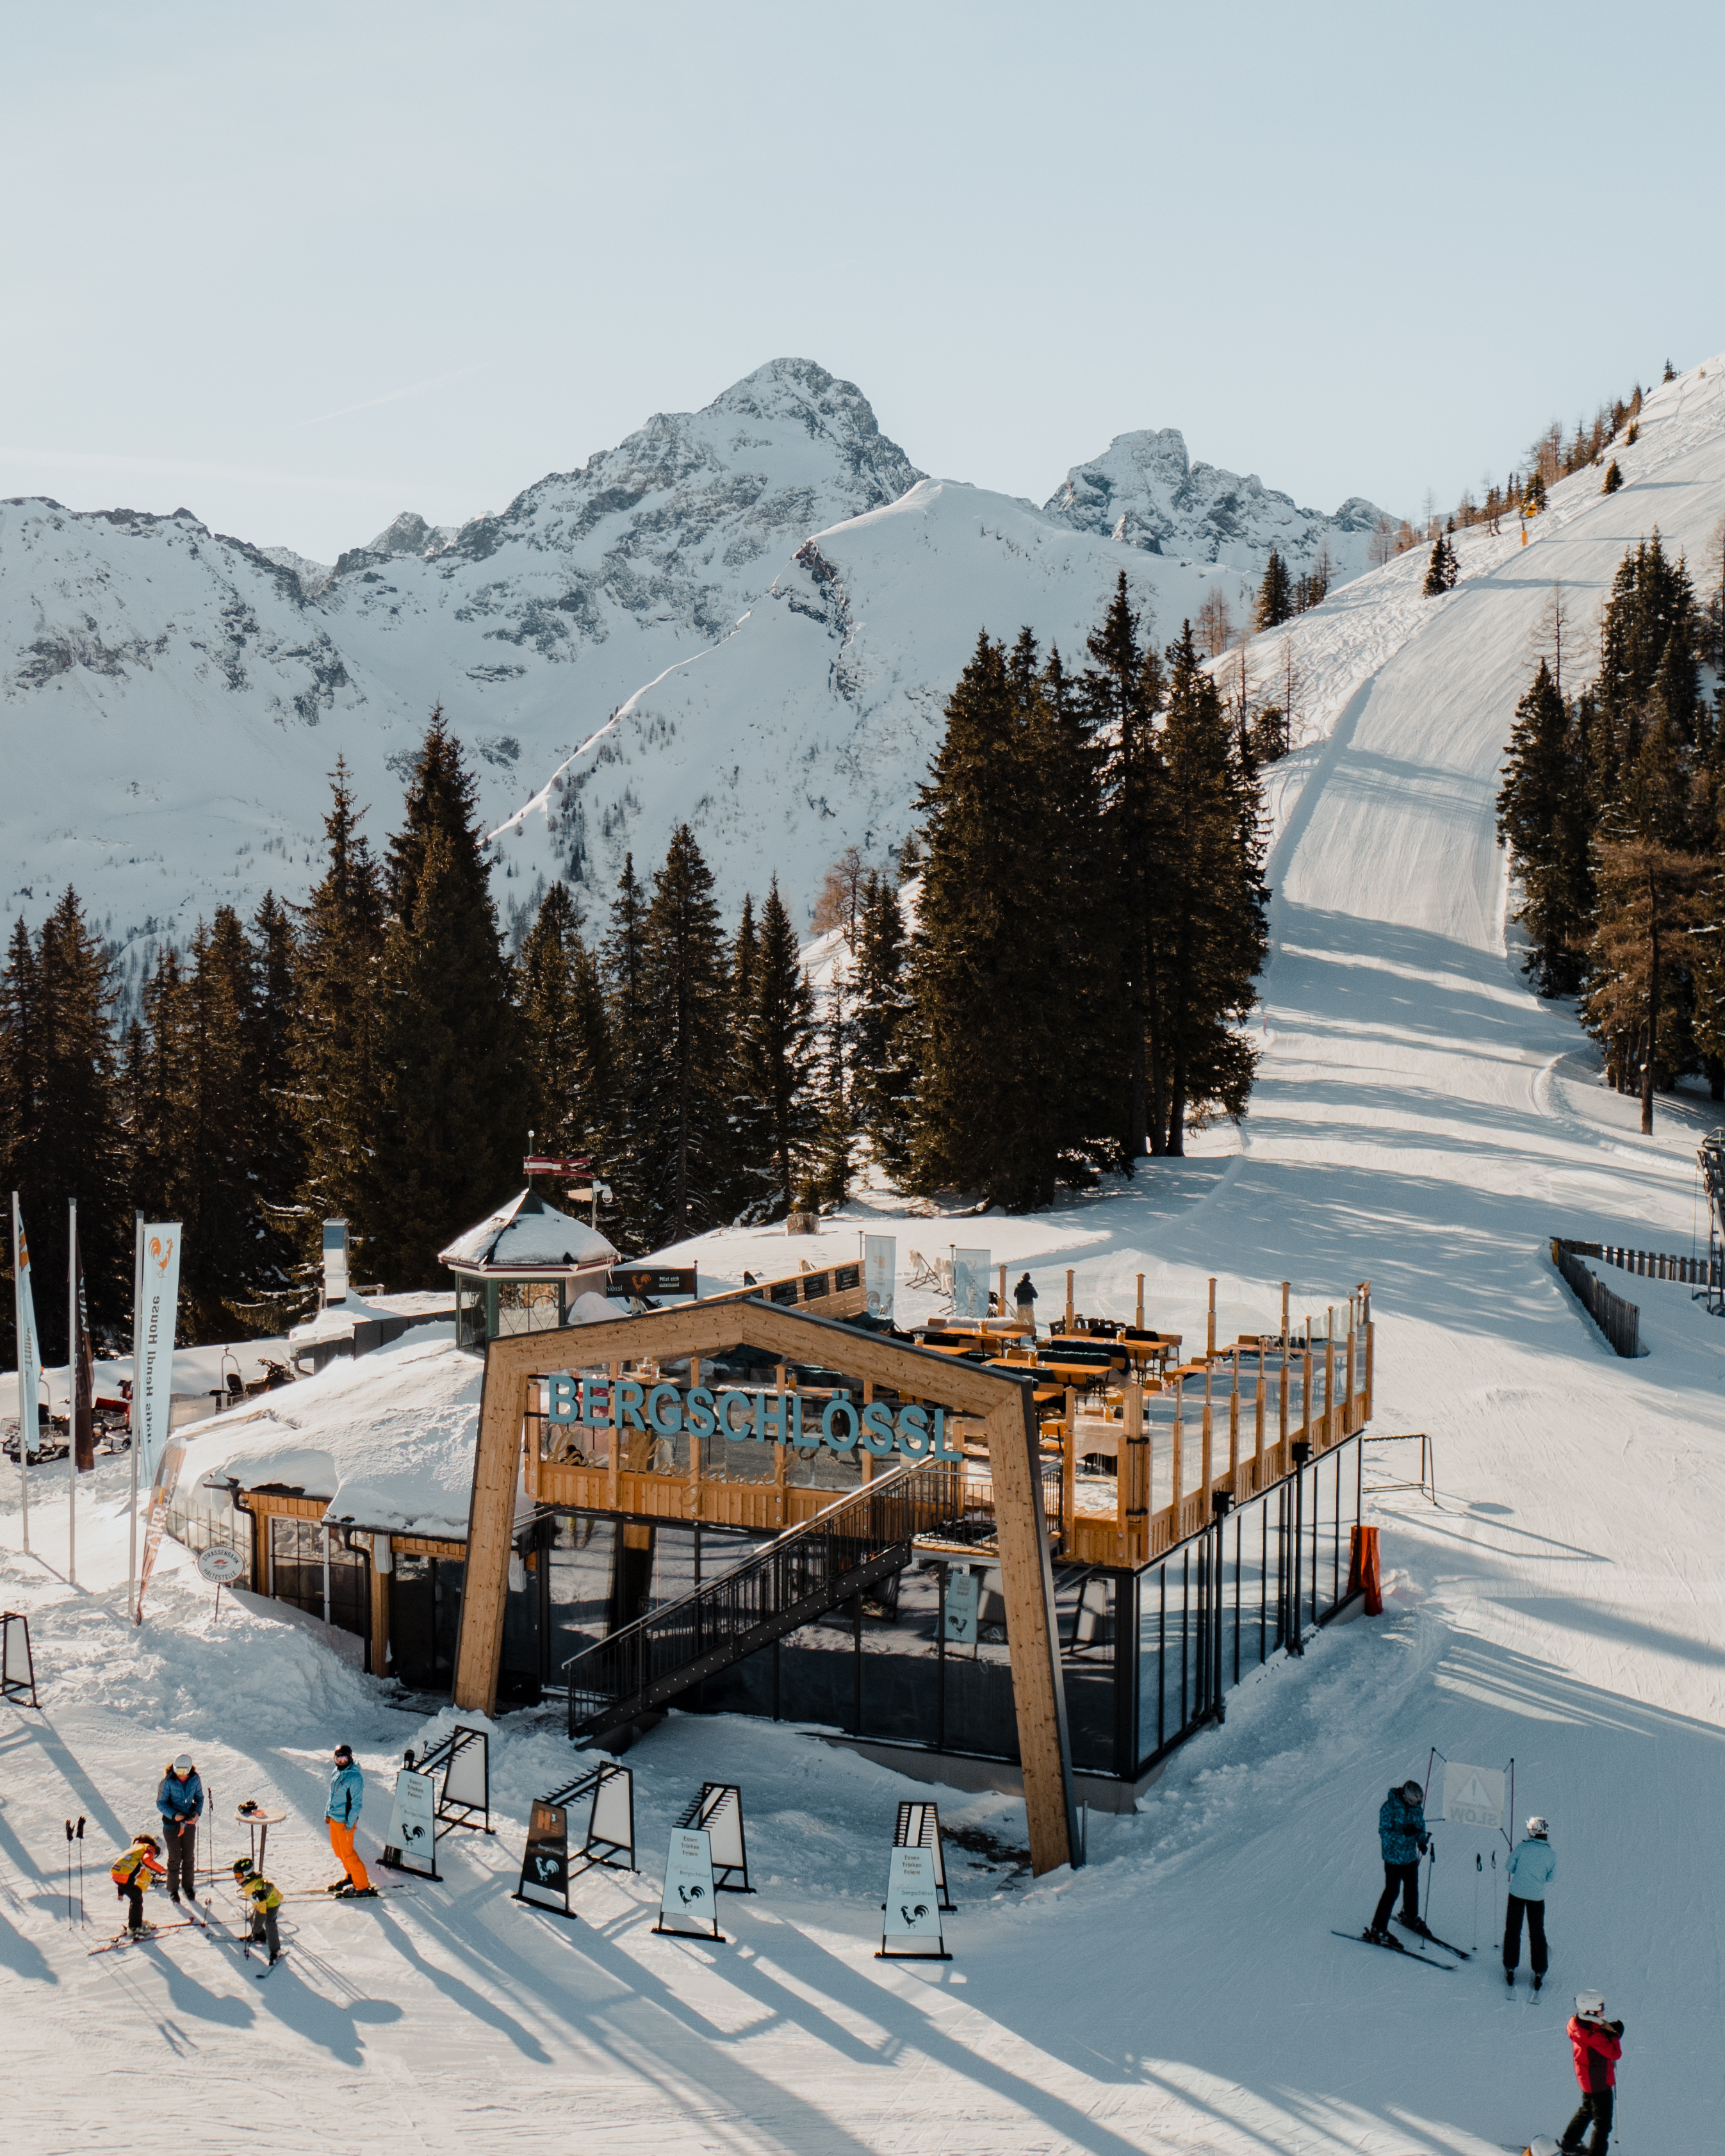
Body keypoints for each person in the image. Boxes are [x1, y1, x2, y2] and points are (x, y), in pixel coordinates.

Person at [1364, 1778, 1430, 1943]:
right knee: (1392, 1890)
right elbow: (1385, 1833)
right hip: (1393, 1857)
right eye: (1414, 1803)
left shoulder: (1416, 1808)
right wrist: (1403, 1833)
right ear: (1407, 1797)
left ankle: (1410, 1915)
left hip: (1409, 1856)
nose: (1417, 1807)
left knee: (1412, 1886)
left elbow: (1420, 1827)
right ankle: (1378, 1928)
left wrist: (1421, 1841)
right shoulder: (1389, 1808)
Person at [1560, 1990, 1623, 2153]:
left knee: (1587, 2110)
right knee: (1603, 2124)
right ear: (1590, 2011)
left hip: (1588, 2078)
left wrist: (1608, 2030)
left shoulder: (1579, 2023)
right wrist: (1614, 2034)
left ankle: (1569, 2143)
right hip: (1599, 2082)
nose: (1603, 2012)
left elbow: (1599, 2033)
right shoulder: (1591, 2033)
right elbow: (1615, 2053)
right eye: (1600, 2009)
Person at [1504, 1815, 1556, 1990]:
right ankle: (1539, 1970)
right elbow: (1551, 1877)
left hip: (1517, 1893)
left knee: (1513, 1929)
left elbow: (1509, 1867)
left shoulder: (1521, 1848)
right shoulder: (1551, 1854)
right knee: (1537, 1932)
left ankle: (1510, 1967)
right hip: (1536, 1897)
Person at [324, 1742, 377, 1897]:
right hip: (334, 1819)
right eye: (338, 1759)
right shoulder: (337, 1772)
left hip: (345, 1822)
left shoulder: (355, 1778)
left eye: (344, 1760)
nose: (341, 1763)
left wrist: (350, 1823)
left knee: (348, 1854)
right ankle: (351, 1876)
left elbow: (357, 1804)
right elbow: (331, 1794)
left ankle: (362, 1886)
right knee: (339, 1851)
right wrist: (328, 1813)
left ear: (350, 1759)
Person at [156, 1752, 203, 1906]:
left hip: (189, 1823)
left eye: (185, 1772)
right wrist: (173, 1814)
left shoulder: (195, 1779)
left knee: (188, 1857)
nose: (181, 1775)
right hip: (172, 1825)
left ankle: (188, 1886)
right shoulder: (168, 1781)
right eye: (178, 1771)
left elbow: (200, 1797)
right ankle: (173, 1889)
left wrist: (197, 1812)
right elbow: (161, 1803)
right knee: (175, 1857)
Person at [111, 1833, 167, 1935]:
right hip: (124, 1876)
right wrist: (162, 1870)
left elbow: (124, 1866)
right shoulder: (149, 1849)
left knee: (136, 1894)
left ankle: (136, 1921)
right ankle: (135, 1927)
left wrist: (121, 1892)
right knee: (137, 1898)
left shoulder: (137, 1847)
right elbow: (147, 1860)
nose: (154, 1856)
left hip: (118, 1874)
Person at [233, 1858, 284, 1964]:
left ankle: (276, 1951)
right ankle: (260, 1936)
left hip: (273, 1903)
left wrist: (257, 1927)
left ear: (246, 1874)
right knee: (253, 1919)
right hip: (262, 1904)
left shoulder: (256, 1888)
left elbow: (263, 1911)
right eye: (235, 1875)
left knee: (269, 1923)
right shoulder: (249, 1884)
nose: (236, 1879)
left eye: (238, 1876)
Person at [1013, 1273, 1038, 1338]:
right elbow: (1036, 1296)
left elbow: (1015, 1295)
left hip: (1020, 1306)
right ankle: (1033, 1337)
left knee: (1020, 1323)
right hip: (1028, 1307)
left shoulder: (1018, 1287)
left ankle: (1017, 1338)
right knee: (1031, 1322)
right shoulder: (1030, 1287)